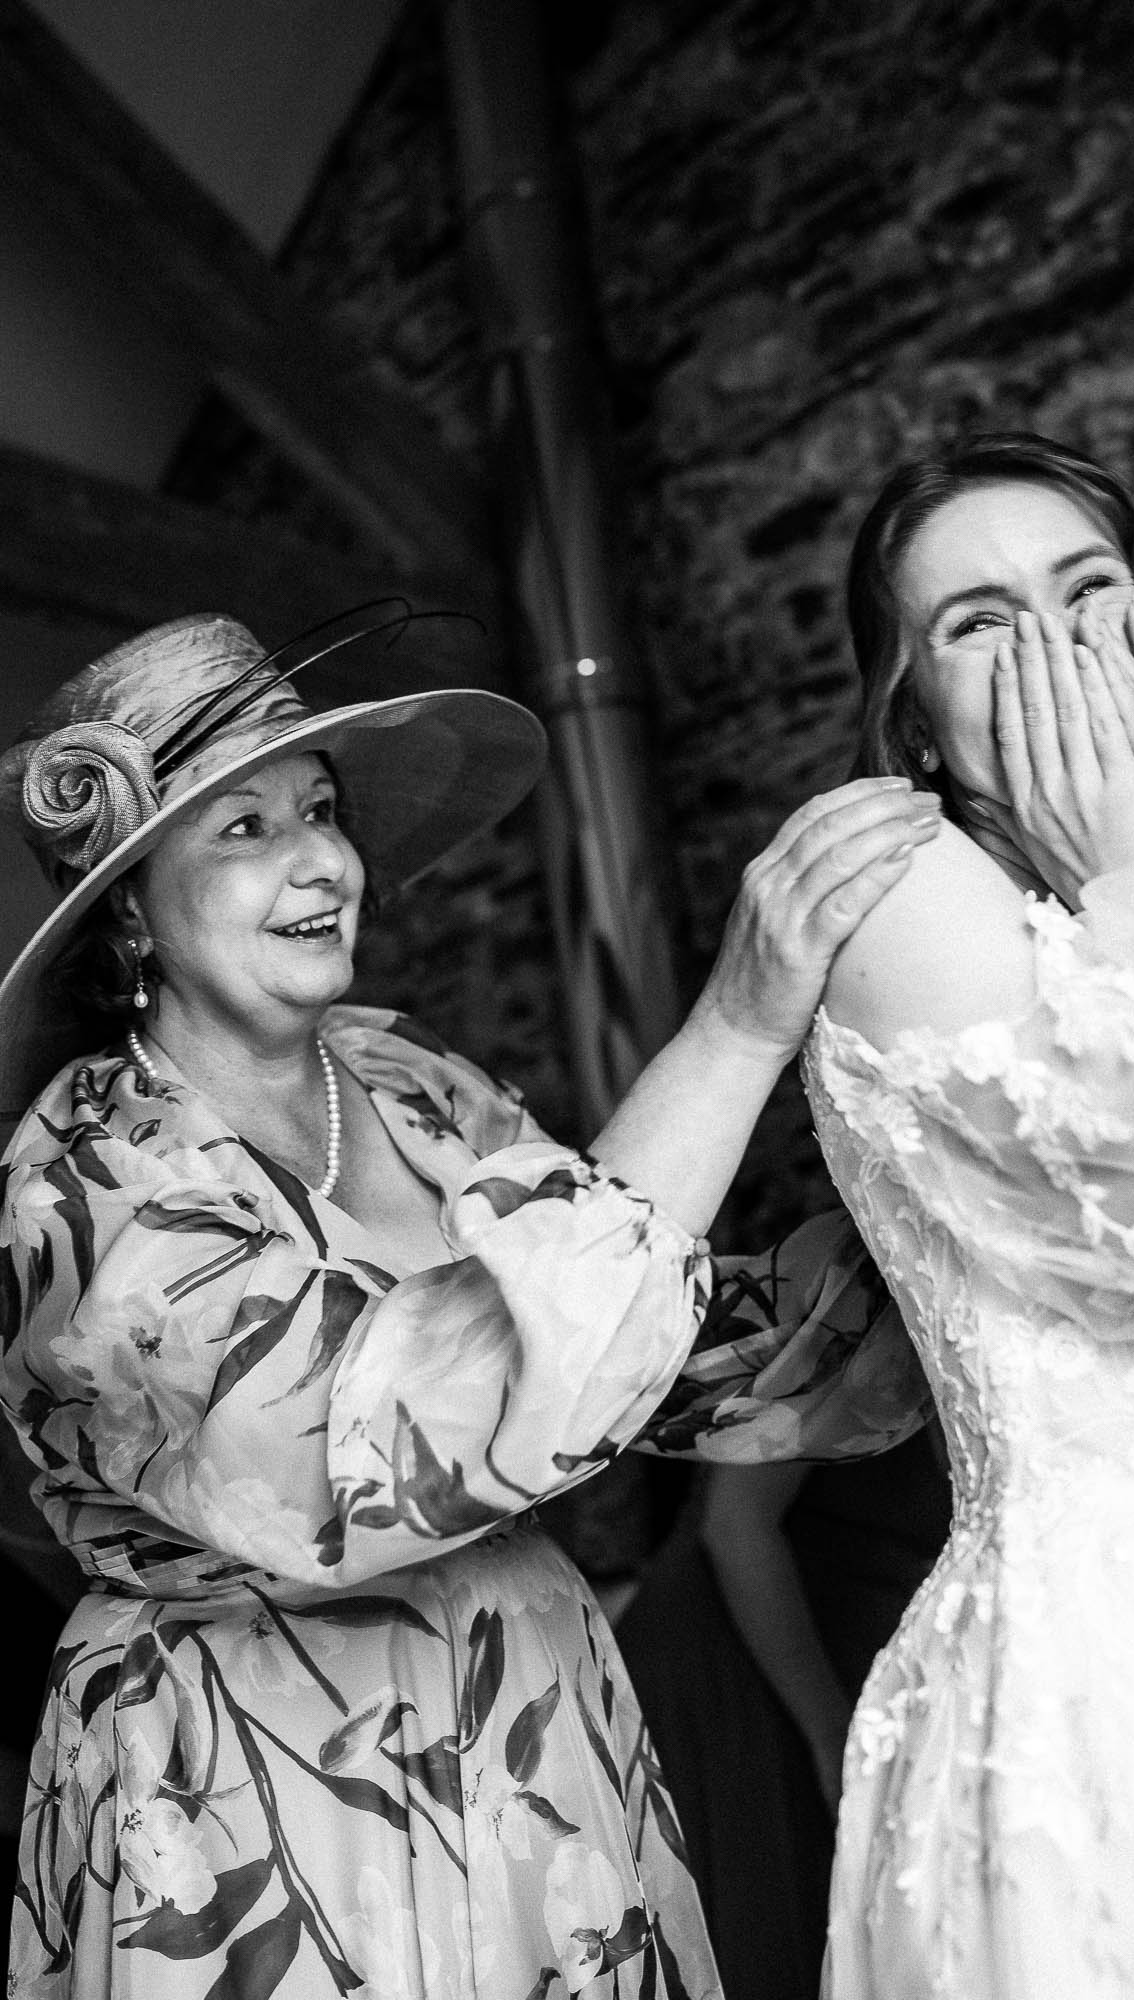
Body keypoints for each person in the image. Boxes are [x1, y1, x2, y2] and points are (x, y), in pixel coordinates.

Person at [0, 605, 942, 1999]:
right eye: (244, 829)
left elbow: (643, 1347)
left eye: (318, 809)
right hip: (259, 1795)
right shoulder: (75, 1186)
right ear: (130, 903)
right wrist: (734, 1027)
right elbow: (373, 1444)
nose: (324, 858)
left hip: (529, 1741)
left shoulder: (409, 1084)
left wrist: (955, 1276)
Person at [803, 431, 1134, 1999]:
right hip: (1109, 1696)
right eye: (976, 621)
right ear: (916, 721)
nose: (1050, 646)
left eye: (1089, 590)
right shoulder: (909, 901)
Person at [614, 1431, 951, 2000]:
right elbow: (735, 1526)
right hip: (750, 1662)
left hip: (859, 1657)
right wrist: (825, 1728)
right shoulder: (852, 1342)